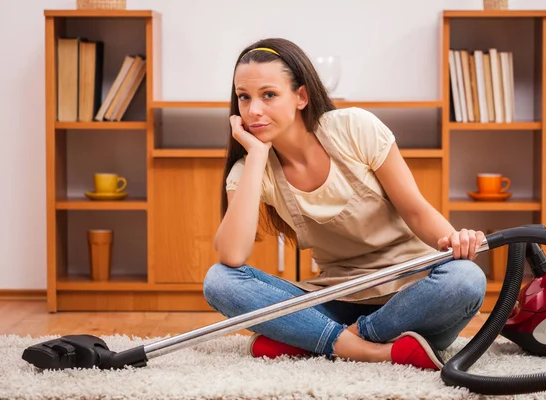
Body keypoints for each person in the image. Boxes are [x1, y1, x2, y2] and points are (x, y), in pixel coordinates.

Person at [203, 38, 487, 371]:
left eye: (268, 95)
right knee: (219, 280)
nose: (253, 111)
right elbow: (232, 255)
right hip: (336, 298)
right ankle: (367, 349)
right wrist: (256, 156)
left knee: (466, 280)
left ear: (301, 96)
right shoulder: (250, 169)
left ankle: (320, 340)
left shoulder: (354, 128)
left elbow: (416, 210)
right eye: (244, 97)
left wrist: (454, 242)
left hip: (409, 297)